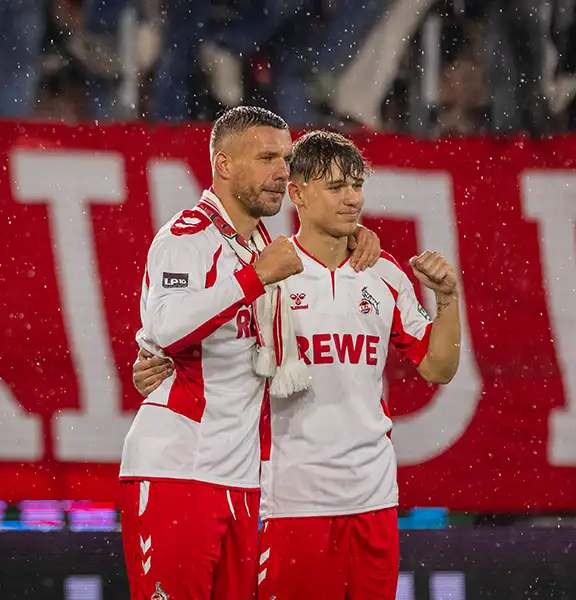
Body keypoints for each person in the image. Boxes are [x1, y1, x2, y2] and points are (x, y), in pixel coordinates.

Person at [133, 130, 463, 599]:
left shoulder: (384, 272)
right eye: (335, 187)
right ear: (298, 192)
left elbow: (438, 368)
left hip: (374, 496)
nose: (352, 199)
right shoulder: (271, 269)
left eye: (356, 186)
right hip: (287, 498)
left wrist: (447, 299)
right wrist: (153, 358)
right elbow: (198, 328)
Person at [120, 107, 381, 600]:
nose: (283, 170)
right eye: (266, 158)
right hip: (180, 468)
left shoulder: (263, 243)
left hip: (241, 478)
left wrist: (355, 237)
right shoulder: (186, 238)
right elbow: (167, 327)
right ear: (223, 165)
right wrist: (253, 278)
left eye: (285, 158)